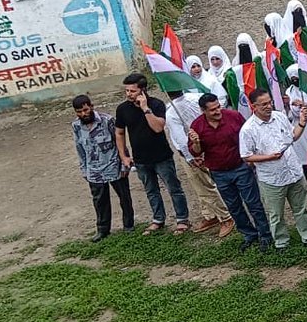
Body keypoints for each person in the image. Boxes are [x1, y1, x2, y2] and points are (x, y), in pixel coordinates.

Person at [188, 93, 273, 252]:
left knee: (254, 204)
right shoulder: (197, 126)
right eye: (212, 110)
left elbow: (249, 136)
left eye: (218, 107)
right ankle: (249, 235)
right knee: (234, 207)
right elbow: (195, 152)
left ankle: (265, 235)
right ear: (203, 111)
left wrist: (251, 160)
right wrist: (196, 143)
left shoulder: (233, 116)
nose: (217, 111)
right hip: (219, 173)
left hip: (241, 168)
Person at [239, 89, 307, 251]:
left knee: (301, 208)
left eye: (269, 102)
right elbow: (246, 156)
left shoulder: (280, 117)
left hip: (293, 172)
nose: (268, 106)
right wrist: (268, 157)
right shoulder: (248, 129)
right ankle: (281, 242)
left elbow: (293, 136)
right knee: (276, 214)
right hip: (272, 178)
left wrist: (302, 123)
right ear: (253, 106)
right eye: (263, 104)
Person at [115, 73, 191, 235]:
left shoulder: (156, 105)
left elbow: (158, 127)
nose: (129, 94)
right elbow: (120, 133)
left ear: (143, 90)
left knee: (173, 188)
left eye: (132, 91)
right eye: (127, 91)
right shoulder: (122, 109)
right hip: (141, 159)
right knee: (151, 191)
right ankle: (158, 219)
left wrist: (145, 108)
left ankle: (182, 219)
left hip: (161, 156)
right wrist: (124, 156)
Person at [164, 90, 234, 238]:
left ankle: (225, 217)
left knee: (204, 187)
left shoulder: (171, 112)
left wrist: (191, 157)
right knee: (201, 185)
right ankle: (210, 215)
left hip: (193, 151)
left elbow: (181, 138)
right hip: (208, 145)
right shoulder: (196, 98)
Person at [72, 95, 135, 242]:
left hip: (113, 166)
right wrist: (84, 169)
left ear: (92, 106)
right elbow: (79, 148)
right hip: (94, 170)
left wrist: (124, 163)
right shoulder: (76, 126)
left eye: (85, 110)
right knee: (99, 201)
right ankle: (102, 229)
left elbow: (120, 142)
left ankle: (129, 226)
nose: (83, 114)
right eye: (79, 112)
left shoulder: (107, 121)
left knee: (124, 197)